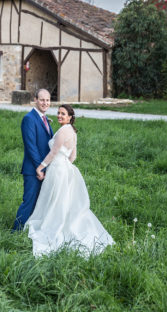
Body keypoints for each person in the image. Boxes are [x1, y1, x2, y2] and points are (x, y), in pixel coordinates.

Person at [25, 104, 114, 257]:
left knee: (55, 199)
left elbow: (53, 153)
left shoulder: (63, 131)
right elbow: (73, 156)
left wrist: (40, 168)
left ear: (70, 117)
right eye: (58, 113)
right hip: (65, 168)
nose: (59, 116)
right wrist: (64, 164)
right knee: (63, 199)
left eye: (63, 114)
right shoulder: (72, 131)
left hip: (57, 169)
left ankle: (54, 226)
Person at [12, 89, 54, 231]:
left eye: (47, 100)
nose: (45, 103)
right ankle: (15, 231)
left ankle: (32, 229)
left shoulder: (44, 119)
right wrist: (40, 167)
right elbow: (31, 146)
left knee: (40, 202)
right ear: (35, 99)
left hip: (44, 168)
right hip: (33, 169)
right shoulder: (29, 118)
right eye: (42, 100)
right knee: (29, 201)